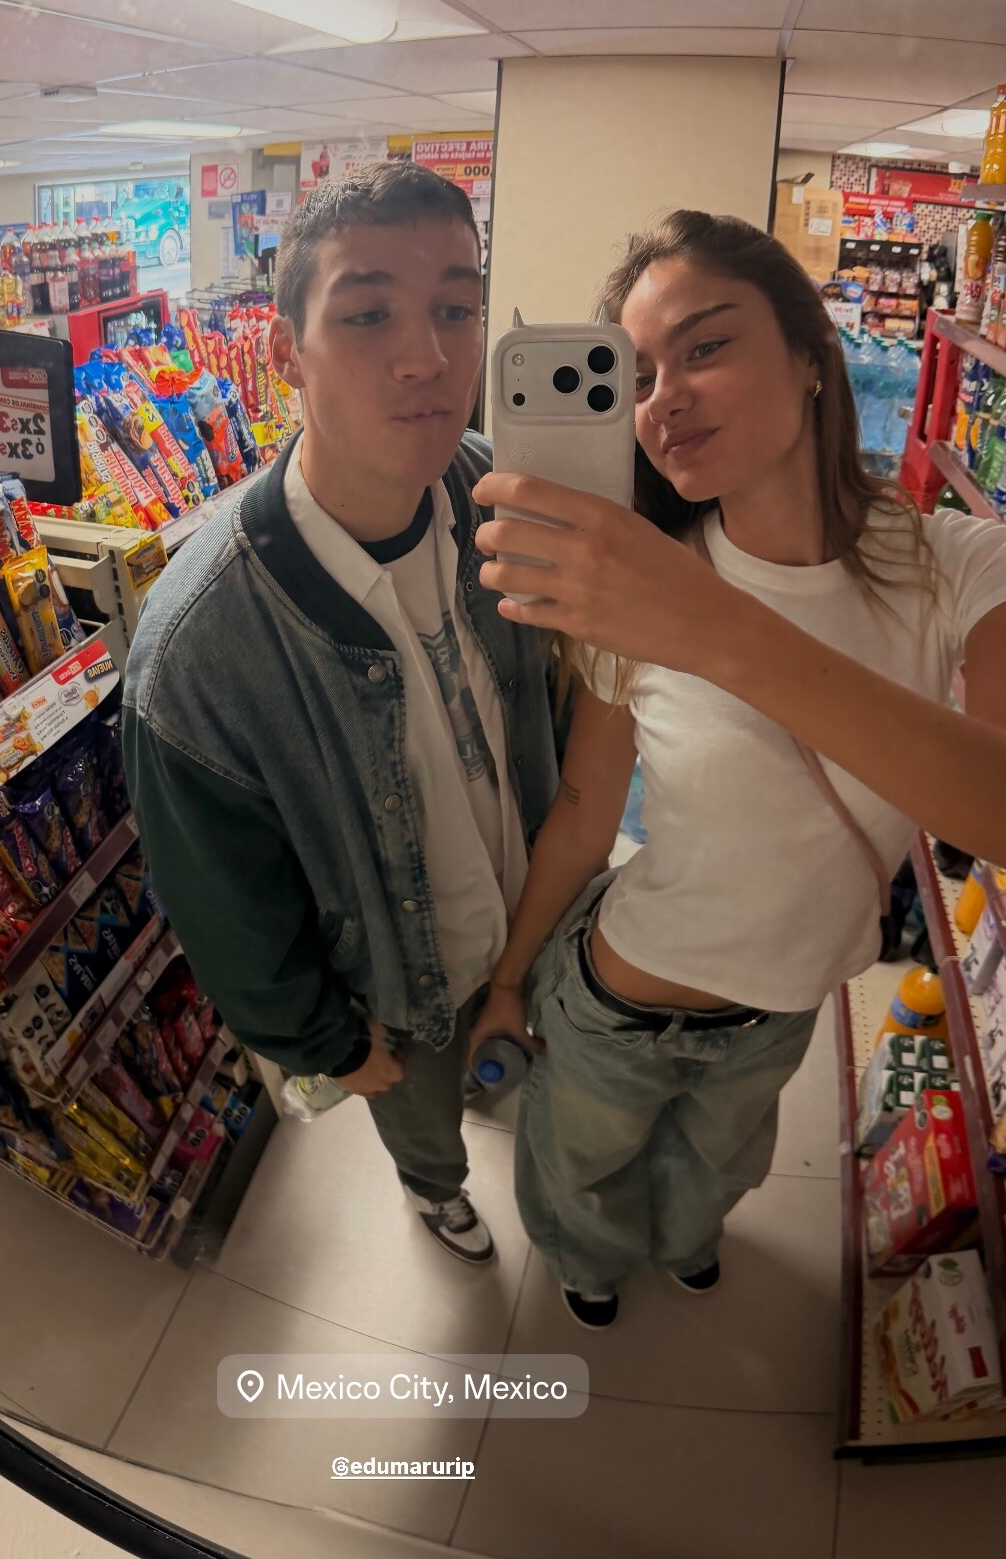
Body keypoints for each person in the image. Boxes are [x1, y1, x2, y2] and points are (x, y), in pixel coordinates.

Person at [469, 209, 1006, 1330]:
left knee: (716, 1175)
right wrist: (512, 981)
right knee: (580, 1175)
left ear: (812, 356)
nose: (663, 398)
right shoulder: (637, 585)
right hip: (620, 998)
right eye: (636, 377)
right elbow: (584, 812)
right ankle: (584, 1265)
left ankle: (684, 1240)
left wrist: (714, 628)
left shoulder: (957, 565)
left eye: (705, 346)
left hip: (781, 1014)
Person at [123, 162, 559, 1264]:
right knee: (427, 1130)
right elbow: (226, 902)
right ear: (285, 352)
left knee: (542, 1098)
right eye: (367, 315)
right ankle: (436, 1195)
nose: (429, 358)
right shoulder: (200, 648)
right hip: (399, 995)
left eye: (456, 308)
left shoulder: (494, 495)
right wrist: (324, 1043)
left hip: (536, 926)